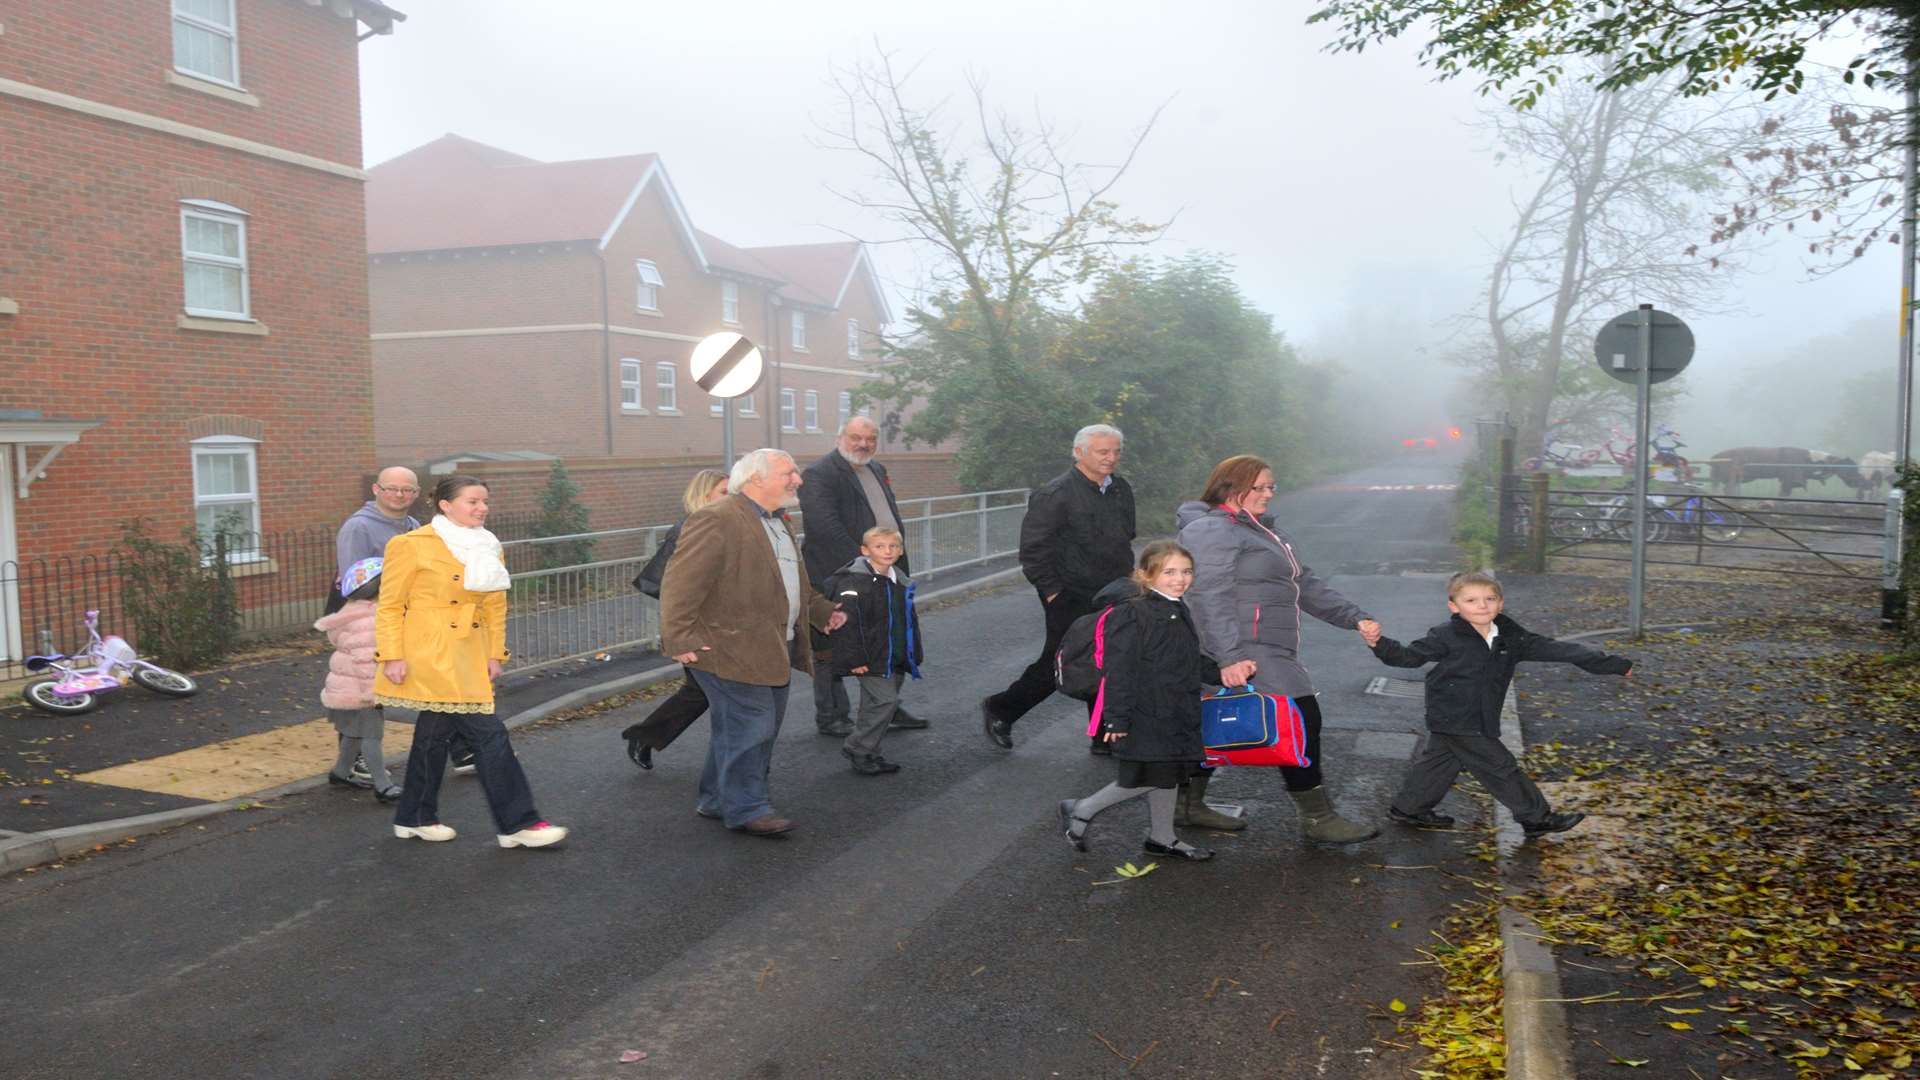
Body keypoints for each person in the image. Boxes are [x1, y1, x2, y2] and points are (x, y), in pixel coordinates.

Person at [1176, 455, 1382, 844]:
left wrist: (1353, 616)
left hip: (1268, 644)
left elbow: (1303, 584)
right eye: (1261, 487)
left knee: (1211, 721)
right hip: (1243, 645)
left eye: (1273, 487)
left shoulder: (1265, 531)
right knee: (1302, 717)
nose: (1269, 494)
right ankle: (1319, 818)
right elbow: (1207, 597)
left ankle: (1188, 803)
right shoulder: (1211, 531)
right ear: (1232, 486)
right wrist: (1229, 656)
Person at [658, 449, 847, 837]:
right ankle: (747, 807)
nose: (798, 479)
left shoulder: (779, 523)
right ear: (756, 479)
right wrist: (677, 636)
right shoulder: (716, 518)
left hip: (771, 646)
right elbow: (680, 583)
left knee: (740, 728)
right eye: (788, 472)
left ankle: (715, 797)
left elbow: (795, 584)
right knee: (753, 727)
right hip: (728, 648)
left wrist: (821, 612)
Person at [375, 475, 567, 849]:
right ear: (445, 505)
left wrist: (495, 652)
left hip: (469, 649)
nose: (482, 508)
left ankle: (414, 816)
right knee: (489, 733)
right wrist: (391, 655)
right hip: (430, 650)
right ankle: (519, 823)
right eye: (472, 502)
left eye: (484, 502)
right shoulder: (410, 545)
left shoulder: (488, 545)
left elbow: (495, 603)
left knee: (434, 735)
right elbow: (391, 605)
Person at [1364, 570, 1632, 837]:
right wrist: (1379, 642)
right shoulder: (1445, 635)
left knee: (1440, 761)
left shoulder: (1510, 636)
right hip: (1455, 715)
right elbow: (1408, 657)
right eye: (1471, 600)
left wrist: (1611, 664)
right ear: (1454, 606)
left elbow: (1557, 649)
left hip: (1480, 714)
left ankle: (1408, 808)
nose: (1482, 605)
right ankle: (1536, 817)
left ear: (1500, 603)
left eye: (1489, 599)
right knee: (1500, 767)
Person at [1056, 541, 1217, 861]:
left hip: (1173, 707)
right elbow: (1119, 669)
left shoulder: (1175, 607)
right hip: (1145, 710)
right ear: (1145, 575)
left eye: (1186, 571)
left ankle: (1162, 837)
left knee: (1166, 770)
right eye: (1169, 572)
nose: (1180, 579)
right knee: (1146, 776)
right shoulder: (1133, 613)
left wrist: (1224, 672)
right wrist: (1116, 718)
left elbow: (1186, 658)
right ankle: (1082, 809)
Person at [981, 424, 1135, 752]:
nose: (1111, 458)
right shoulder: (1055, 494)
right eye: (1103, 451)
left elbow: (1126, 536)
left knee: (1107, 658)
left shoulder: (1120, 489)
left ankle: (1103, 734)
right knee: (1061, 661)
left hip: (1114, 591)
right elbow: (1033, 551)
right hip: (1071, 594)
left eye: (1116, 451)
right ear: (1079, 453)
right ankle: (1001, 709)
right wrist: (1054, 594)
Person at [798, 416, 928, 736]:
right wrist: (866, 567)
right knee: (831, 650)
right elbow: (825, 529)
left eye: (870, 439)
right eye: (856, 437)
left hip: (885, 573)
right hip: (841, 577)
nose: (863, 444)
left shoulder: (876, 470)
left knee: (889, 642)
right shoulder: (819, 474)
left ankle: (885, 708)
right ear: (840, 437)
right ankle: (831, 716)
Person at [329, 466, 443, 791]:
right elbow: (354, 585)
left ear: (416, 494)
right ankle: (366, 766)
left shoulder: (412, 526)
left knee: (373, 692)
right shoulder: (358, 527)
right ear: (377, 490)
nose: (399, 495)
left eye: (407, 490)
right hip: (361, 623)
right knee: (363, 691)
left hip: (397, 619)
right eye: (392, 488)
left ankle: (344, 766)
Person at [621, 468, 730, 770]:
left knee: (701, 693)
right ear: (704, 495)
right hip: (696, 627)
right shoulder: (689, 529)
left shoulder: (720, 526)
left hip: (713, 625)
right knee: (712, 694)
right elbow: (672, 586)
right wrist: (680, 632)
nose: (731, 498)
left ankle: (644, 736)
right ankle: (730, 771)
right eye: (724, 492)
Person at [823, 526, 922, 776]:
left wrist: (912, 653)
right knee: (885, 701)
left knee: (874, 705)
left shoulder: (899, 579)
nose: (887, 551)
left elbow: (906, 620)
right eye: (880, 546)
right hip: (870, 657)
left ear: (900, 550)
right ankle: (859, 747)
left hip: (894, 654)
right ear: (865, 550)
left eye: (893, 546)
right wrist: (854, 659)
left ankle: (869, 752)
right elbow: (846, 624)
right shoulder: (853, 582)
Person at [314, 557, 401, 802]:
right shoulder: (368, 621)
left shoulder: (350, 612)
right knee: (372, 737)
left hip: (342, 687)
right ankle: (383, 786)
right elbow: (366, 661)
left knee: (353, 733)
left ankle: (341, 773)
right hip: (360, 690)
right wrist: (372, 695)